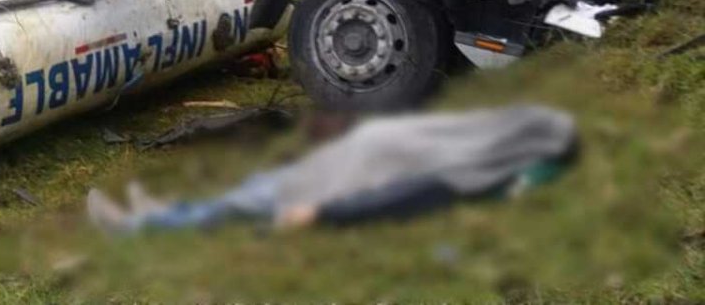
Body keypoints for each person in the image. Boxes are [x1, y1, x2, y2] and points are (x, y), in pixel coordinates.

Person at [87, 105, 577, 234]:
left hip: (349, 180)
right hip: (354, 162)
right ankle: (163, 216)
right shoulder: (484, 146)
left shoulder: (472, 171)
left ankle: (142, 225)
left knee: (253, 197)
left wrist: (320, 214)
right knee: (256, 188)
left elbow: (402, 196)